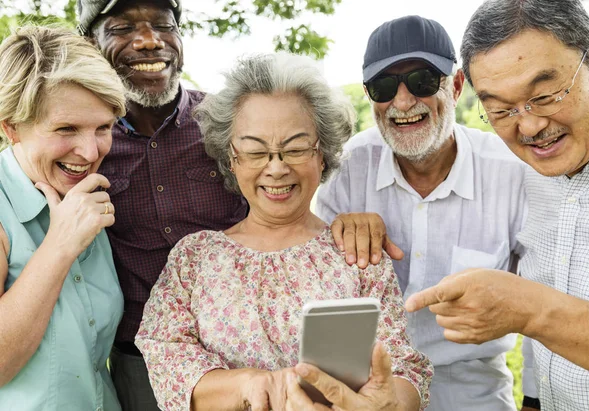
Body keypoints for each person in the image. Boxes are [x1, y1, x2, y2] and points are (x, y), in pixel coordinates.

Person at [76, 1, 402, 409]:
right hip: (144, 359)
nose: (147, 40)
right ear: (231, 156)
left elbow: (401, 371)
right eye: (123, 27)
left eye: (163, 24)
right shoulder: (88, 140)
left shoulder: (228, 115)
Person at [134, 52, 433, 411]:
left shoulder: (356, 254)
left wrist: (390, 403)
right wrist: (252, 385)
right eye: (255, 151)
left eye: (294, 149)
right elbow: (166, 356)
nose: (276, 169)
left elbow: (403, 367)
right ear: (231, 157)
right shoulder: (194, 259)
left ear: (323, 154)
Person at [316, 15, 529, 411]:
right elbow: (308, 283)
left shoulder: (512, 172)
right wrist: (332, 233)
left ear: (458, 85)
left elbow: (543, 295)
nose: (402, 102)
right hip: (367, 387)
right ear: (370, 95)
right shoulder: (344, 172)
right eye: (383, 86)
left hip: (473, 389)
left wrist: (533, 398)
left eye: (422, 81)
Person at [405, 0, 589, 410]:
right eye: (500, 110)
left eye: (546, 95)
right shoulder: (528, 171)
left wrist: (528, 308)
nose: (528, 126)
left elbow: (534, 309)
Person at [0, 26, 126, 410]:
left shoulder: (85, 193)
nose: (90, 152)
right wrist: (60, 244)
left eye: (103, 127)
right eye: (66, 128)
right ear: (11, 127)